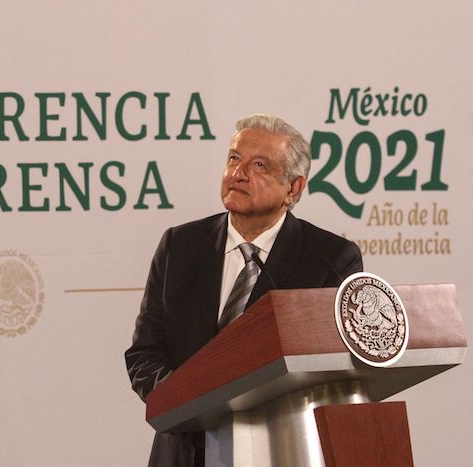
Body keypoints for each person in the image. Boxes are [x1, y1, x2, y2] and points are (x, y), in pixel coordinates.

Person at [124, 114, 363, 467]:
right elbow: (144, 354)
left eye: (260, 165)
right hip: (183, 453)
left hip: (279, 453)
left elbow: (330, 377)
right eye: (234, 159)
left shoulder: (331, 260)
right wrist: (189, 402)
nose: (238, 173)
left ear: (293, 188)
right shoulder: (180, 245)